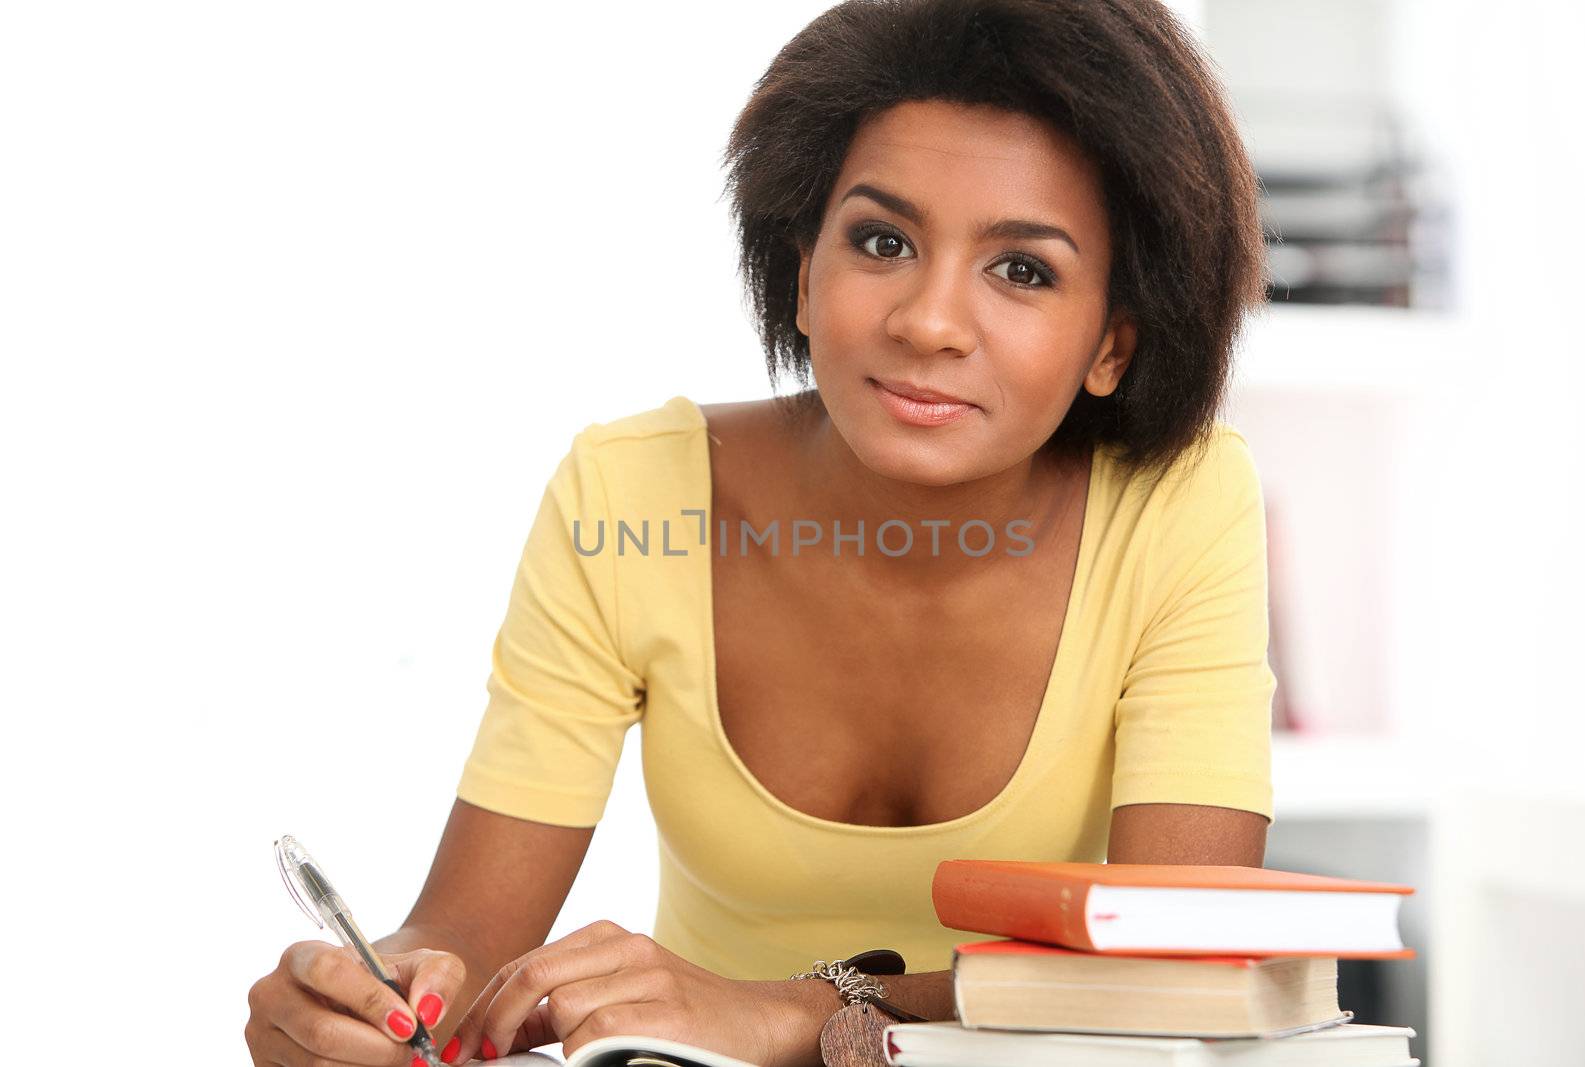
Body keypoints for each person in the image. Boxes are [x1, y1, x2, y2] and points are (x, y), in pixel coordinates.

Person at [244, 0, 1276, 1063]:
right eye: (881, 240)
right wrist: (369, 1000)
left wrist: (800, 1008)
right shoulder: (630, 494)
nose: (927, 321)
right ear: (800, 272)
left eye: (1022, 270)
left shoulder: (1178, 506)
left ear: (1112, 343)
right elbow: (464, 939)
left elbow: (1176, 958)